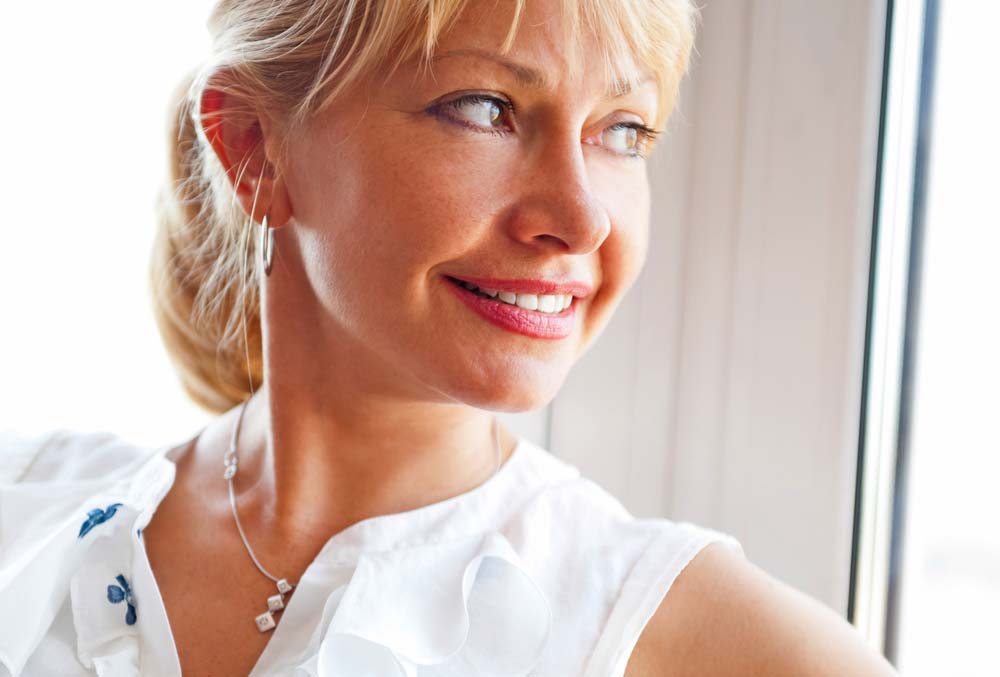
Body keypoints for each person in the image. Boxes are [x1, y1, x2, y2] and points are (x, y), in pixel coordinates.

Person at [0, 0, 900, 674]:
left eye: (623, 130)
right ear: (254, 147)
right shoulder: (27, 510)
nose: (582, 218)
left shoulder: (699, 641)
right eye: (484, 108)